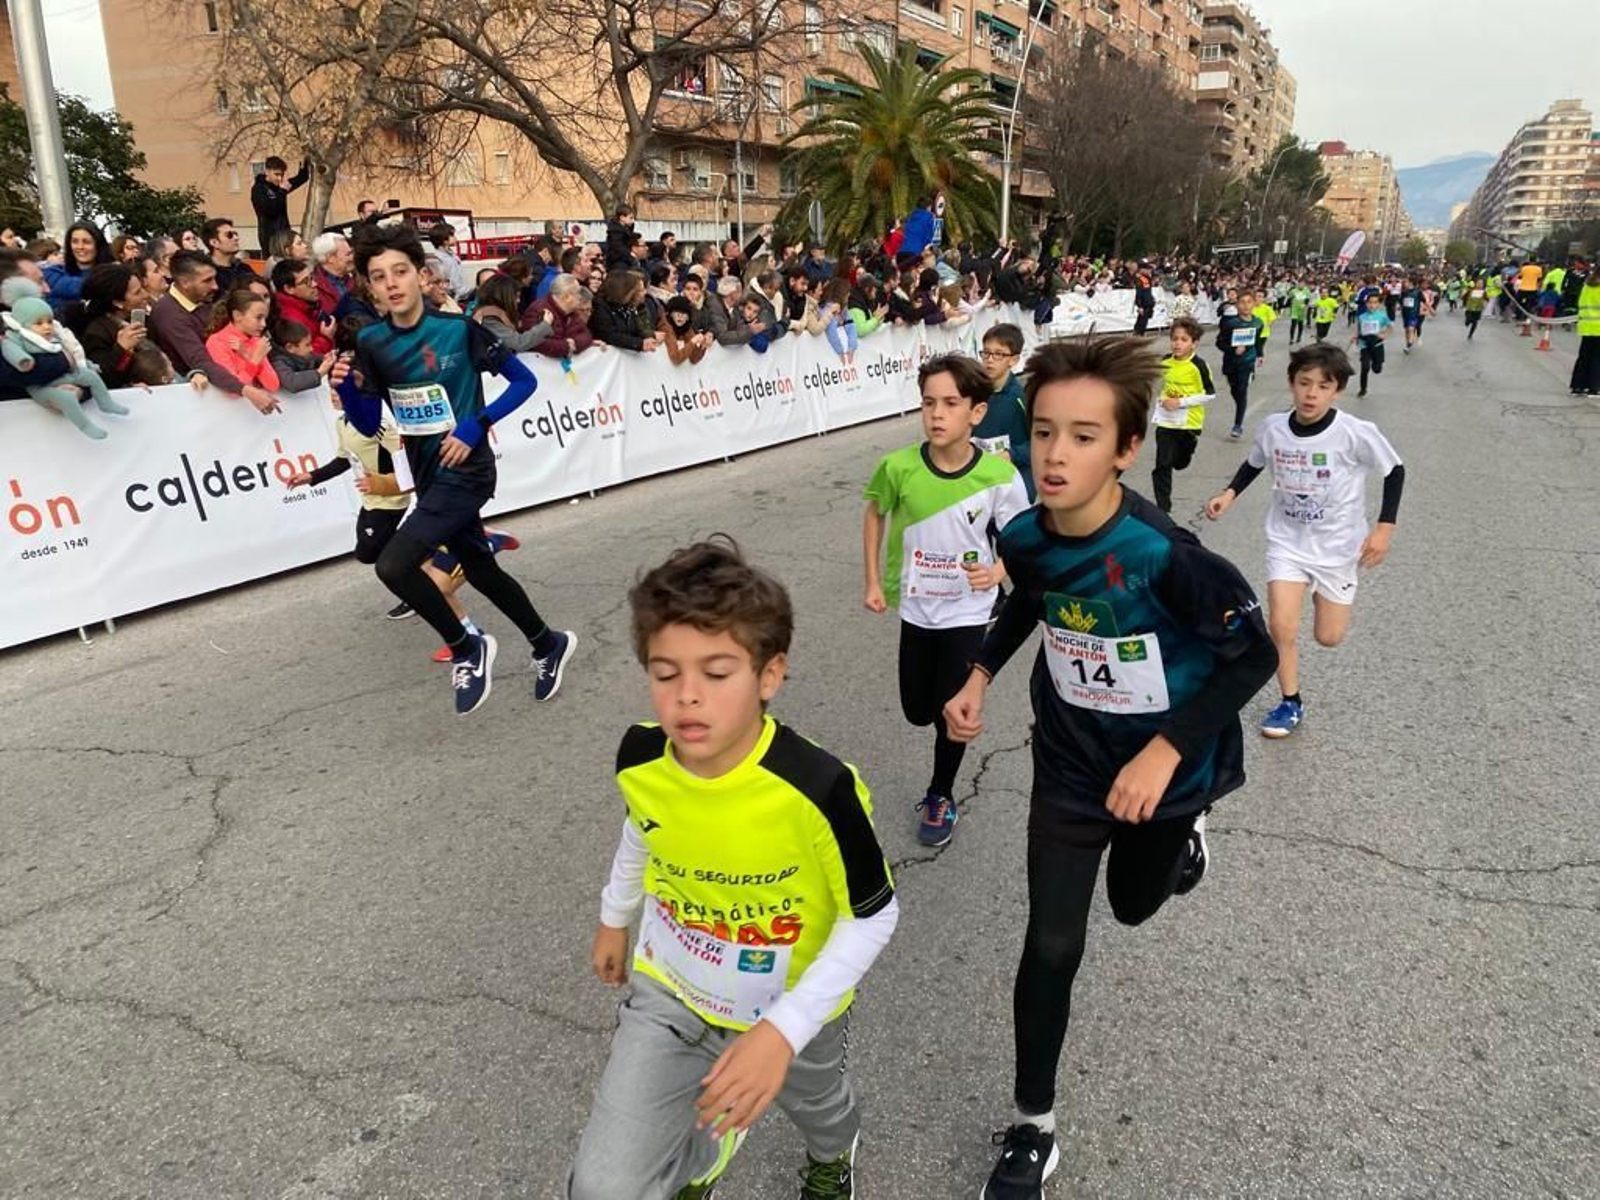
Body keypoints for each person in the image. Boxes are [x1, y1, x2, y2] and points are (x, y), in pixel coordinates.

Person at [941, 337, 1277, 1200]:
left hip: (1167, 768)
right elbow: (1031, 598)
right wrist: (979, 673)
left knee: (1132, 907)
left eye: (1083, 437)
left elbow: (1251, 658)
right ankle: (1033, 1128)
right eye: (1044, 432)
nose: (1055, 455)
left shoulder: (1168, 555)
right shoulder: (1024, 536)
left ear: (1127, 448)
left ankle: (1186, 842)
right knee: (1051, 943)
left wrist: (1166, 753)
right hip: (1067, 763)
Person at [569, 538, 898, 1200]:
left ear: (769, 676)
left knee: (820, 1110)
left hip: (789, 1000)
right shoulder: (640, 755)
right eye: (665, 674)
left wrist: (783, 1031)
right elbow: (644, 826)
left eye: (716, 674)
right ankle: (693, 1171)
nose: (687, 698)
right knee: (602, 1188)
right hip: (672, 985)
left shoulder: (820, 788)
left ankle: (834, 1157)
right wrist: (615, 918)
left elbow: (873, 915)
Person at [330, 224, 578, 715]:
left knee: (394, 564)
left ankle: (468, 646)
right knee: (482, 569)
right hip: (427, 477)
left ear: (421, 276)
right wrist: (349, 389)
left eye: (400, 271)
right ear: (370, 287)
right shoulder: (374, 343)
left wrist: (475, 425)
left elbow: (523, 382)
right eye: (379, 277)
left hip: (468, 472)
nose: (391, 283)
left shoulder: (459, 330)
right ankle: (547, 642)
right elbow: (366, 419)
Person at [863, 354, 1029, 847]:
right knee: (919, 708)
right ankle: (943, 719)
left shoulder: (999, 477)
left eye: (951, 404)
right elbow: (875, 515)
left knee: (951, 710)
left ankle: (941, 794)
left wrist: (999, 570)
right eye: (929, 403)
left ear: (976, 413)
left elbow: (1025, 538)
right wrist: (872, 580)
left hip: (969, 611)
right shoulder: (898, 467)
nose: (937, 414)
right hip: (916, 607)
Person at [1205, 343, 1404, 738]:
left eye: (1323, 386)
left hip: (1337, 548)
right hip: (1288, 542)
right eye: (1304, 383)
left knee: (1328, 637)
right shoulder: (1274, 428)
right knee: (1281, 626)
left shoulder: (1355, 433)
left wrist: (1384, 528)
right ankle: (1290, 701)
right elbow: (1255, 462)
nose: (1312, 393)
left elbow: (1394, 471)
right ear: (1292, 384)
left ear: (1337, 391)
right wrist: (1229, 493)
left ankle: (1320, 593)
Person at [1, 294, 132, 438]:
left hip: (64, 379)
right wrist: (25, 360)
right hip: (37, 394)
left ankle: (106, 403)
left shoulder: (55, 336)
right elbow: (13, 361)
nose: (46, 326)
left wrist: (86, 373)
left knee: (90, 377)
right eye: (39, 323)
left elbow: (77, 359)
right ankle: (85, 426)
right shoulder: (14, 337)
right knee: (66, 398)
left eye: (49, 321)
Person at [148, 249, 254, 394]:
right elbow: (201, 361)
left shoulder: (204, 298)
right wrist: (245, 389)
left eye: (214, 278)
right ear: (184, 282)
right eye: (207, 281)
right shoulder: (168, 313)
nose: (215, 286)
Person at [1151, 316, 1214, 515]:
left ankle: (1185, 454)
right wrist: (1163, 400)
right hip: (1166, 421)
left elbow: (1209, 394)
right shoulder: (1165, 361)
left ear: (1194, 344)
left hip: (1189, 423)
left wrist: (1180, 402)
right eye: (1175, 339)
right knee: (1162, 465)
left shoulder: (1199, 365)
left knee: (1179, 462)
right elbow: (1162, 384)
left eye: (1183, 339)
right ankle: (1163, 509)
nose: (1177, 343)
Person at [75, 263, 170, 389]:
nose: (145, 295)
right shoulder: (96, 334)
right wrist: (122, 349)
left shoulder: (145, 320)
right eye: (137, 293)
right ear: (118, 302)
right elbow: (104, 379)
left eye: (142, 288)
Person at [971, 322, 1033, 501]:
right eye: (986, 352)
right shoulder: (973, 393)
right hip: (981, 480)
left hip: (1015, 482)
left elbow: (1040, 444)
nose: (990, 359)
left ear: (1013, 360)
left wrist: (1011, 454)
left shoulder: (1021, 399)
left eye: (998, 354)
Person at [204, 287, 283, 415]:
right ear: (237, 316)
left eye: (265, 319)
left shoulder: (256, 341)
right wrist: (254, 360)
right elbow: (234, 391)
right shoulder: (216, 342)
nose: (263, 324)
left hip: (253, 417)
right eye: (258, 318)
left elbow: (273, 385)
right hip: (227, 414)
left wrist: (248, 355)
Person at [41, 221, 112, 317]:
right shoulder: (53, 272)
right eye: (75, 241)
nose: (80, 247)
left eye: (86, 242)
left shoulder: (110, 273)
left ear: (98, 244)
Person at [1217, 288, 1261, 440]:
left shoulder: (1258, 323)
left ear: (1254, 304)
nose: (1246, 305)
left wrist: (1260, 355)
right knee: (1235, 390)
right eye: (1242, 302)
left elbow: (1258, 341)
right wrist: (1232, 349)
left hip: (1247, 362)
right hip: (1230, 362)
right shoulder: (1231, 323)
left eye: (1249, 302)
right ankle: (1240, 404)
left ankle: (1238, 425)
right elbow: (1219, 343)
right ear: (1237, 305)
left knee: (1242, 391)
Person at [250, 156, 311, 255]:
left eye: (282, 175)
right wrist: (282, 192)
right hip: (270, 239)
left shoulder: (279, 188)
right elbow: (270, 211)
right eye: (276, 174)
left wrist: (304, 161)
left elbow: (302, 178)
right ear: (267, 171)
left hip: (285, 235)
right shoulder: (258, 189)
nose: (280, 178)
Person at [590, 270, 660, 352]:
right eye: (634, 292)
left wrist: (649, 337)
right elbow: (609, 334)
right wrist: (638, 343)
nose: (636, 295)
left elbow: (636, 329)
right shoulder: (600, 306)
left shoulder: (628, 307)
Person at [267, 319, 334, 393]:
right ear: (290, 347)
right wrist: (319, 373)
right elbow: (292, 383)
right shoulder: (278, 362)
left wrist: (325, 359)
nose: (311, 348)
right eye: (307, 345)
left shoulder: (301, 354)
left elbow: (313, 358)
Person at [1349, 292, 1391, 398]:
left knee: (1377, 370)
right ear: (1366, 304)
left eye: (1375, 303)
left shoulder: (1382, 316)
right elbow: (1358, 329)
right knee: (1365, 367)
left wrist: (1384, 335)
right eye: (1370, 303)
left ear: (1378, 304)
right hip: (1365, 345)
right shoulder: (1362, 316)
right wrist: (1355, 337)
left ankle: (1376, 363)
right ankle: (1363, 389)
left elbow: (1390, 327)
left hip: (1377, 345)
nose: (1372, 305)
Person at [202, 217, 258, 294]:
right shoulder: (206, 273)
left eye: (236, 234)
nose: (236, 238)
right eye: (229, 235)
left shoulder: (244, 269)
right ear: (214, 242)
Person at [1571, 271, 1600, 397]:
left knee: (1583, 357)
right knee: (1597, 359)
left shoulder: (1587, 286)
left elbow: (1580, 303)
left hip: (1586, 326)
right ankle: (1594, 387)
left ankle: (1577, 386)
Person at [310, 233, 355, 315]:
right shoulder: (313, 287)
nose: (352, 258)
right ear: (330, 258)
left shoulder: (356, 277)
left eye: (351, 252)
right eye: (348, 254)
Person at [424, 222, 469, 302]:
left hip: (462, 293)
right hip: (452, 297)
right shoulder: (437, 259)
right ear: (444, 240)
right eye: (452, 235)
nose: (455, 238)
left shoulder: (452, 255)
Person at [1400, 276, 1425, 352]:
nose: (1404, 283)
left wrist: (1430, 310)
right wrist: (1399, 307)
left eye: (1406, 282)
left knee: (1411, 329)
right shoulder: (1404, 292)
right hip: (1405, 314)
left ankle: (1409, 345)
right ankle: (1408, 344)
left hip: (1414, 314)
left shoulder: (1418, 292)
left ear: (1411, 283)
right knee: (1407, 330)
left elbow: (1424, 301)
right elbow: (1401, 302)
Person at [1462, 274, 1486, 340]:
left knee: (1475, 322)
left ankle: (1470, 334)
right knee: (1468, 321)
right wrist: (1464, 304)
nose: (1480, 285)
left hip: (1478, 309)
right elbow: (1464, 297)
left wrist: (1484, 303)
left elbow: (1487, 299)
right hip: (1469, 309)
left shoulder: (1483, 292)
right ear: (1475, 283)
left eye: (1482, 283)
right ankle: (1467, 322)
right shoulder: (1470, 291)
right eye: (1478, 283)